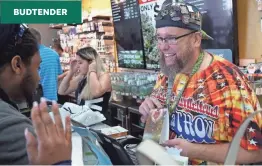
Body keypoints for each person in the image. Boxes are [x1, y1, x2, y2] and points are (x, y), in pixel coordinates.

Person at [139, 2, 262, 165]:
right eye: (159, 38)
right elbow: (158, 122)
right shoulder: (168, 71)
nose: (163, 47)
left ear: (196, 39)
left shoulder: (229, 80)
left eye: (171, 38)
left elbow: (256, 152)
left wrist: (194, 150)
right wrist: (149, 112)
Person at [0, 24, 72, 165]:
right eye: (37, 68)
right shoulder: (14, 130)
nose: (39, 78)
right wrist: (60, 161)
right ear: (17, 65)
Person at [58, 47, 112, 114]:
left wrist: (92, 70)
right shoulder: (82, 77)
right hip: (83, 120)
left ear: (91, 62)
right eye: (77, 62)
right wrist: (71, 72)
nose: (77, 66)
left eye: (80, 63)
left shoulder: (104, 76)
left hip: (100, 122)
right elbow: (62, 91)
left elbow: (96, 92)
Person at [30, 28, 63, 102]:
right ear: (40, 40)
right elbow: (57, 76)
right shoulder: (54, 54)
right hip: (53, 99)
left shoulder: (29, 56)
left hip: (36, 100)